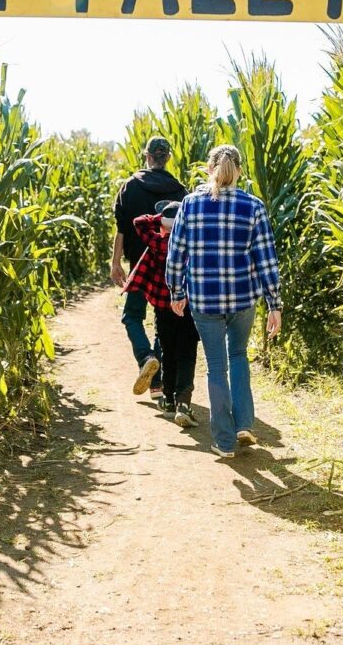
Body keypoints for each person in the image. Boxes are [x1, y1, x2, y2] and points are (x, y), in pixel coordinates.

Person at [165, 144, 282, 458]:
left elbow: (176, 255)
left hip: (205, 301)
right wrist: (274, 304)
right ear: (239, 171)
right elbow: (266, 260)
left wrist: (176, 292)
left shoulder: (190, 204)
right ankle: (244, 423)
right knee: (239, 357)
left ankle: (224, 442)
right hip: (243, 299)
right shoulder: (253, 206)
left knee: (216, 367)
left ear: (209, 169)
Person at [111, 136, 187, 396]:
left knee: (132, 315)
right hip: (169, 266)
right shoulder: (179, 190)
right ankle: (157, 383)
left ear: (147, 156)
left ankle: (145, 358)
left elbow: (122, 229)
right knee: (164, 318)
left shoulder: (130, 187)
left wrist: (115, 262)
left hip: (140, 266)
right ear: (167, 158)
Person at [125, 200, 200, 426]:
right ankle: (183, 403)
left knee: (167, 351)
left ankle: (167, 400)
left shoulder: (159, 242)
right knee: (187, 352)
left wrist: (162, 219)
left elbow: (138, 222)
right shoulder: (192, 243)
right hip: (188, 306)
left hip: (163, 307)